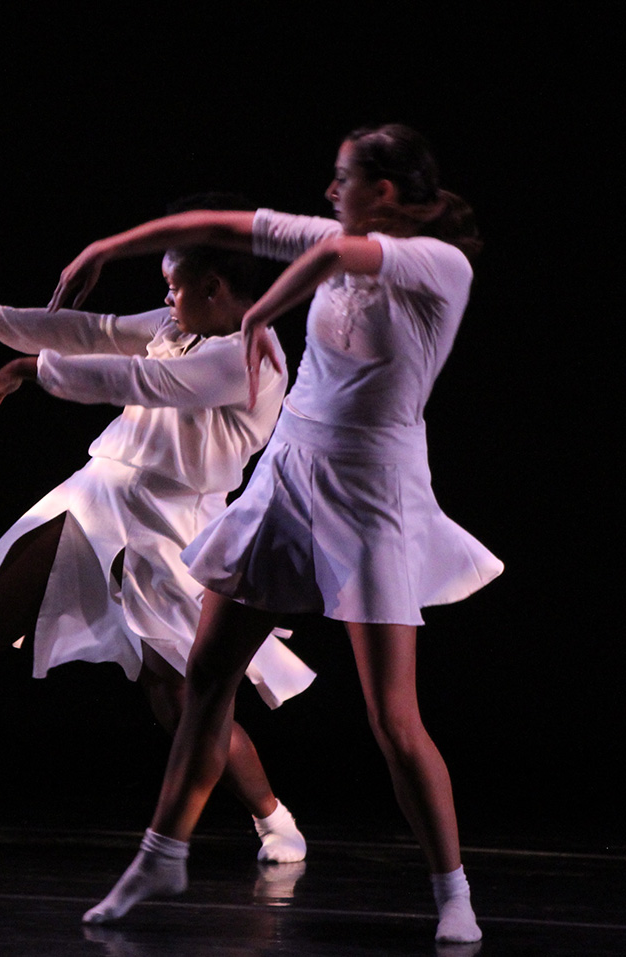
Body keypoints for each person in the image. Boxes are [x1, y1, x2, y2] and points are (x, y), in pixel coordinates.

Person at [60, 125, 500, 944]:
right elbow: (225, 226)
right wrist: (108, 245)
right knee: (206, 670)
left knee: (393, 717)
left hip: (372, 490)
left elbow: (336, 259)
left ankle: (453, 888)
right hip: (290, 472)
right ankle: (162, 851)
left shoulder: (440, 265)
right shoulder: (339, 235)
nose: (330, 192)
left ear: (392, 194)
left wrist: (261, 308)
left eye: (345, 179)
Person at [0, 231, 313, 865]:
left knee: (179, 694)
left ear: (213, 289)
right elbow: (94, 330)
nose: (166, 295)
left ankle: (274, 819)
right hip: (98, 492)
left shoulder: (251, 357)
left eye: (175, 285)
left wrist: (31, 369)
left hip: (175, 521)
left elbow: (147, 382)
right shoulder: (178, 325)